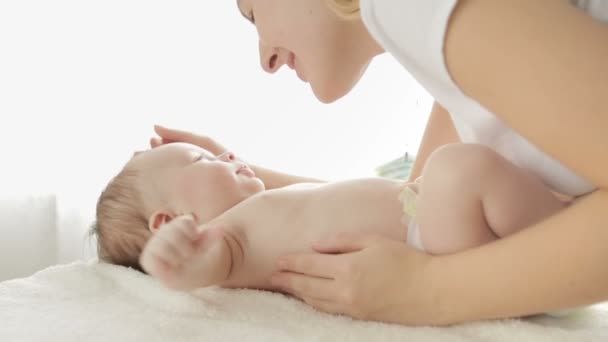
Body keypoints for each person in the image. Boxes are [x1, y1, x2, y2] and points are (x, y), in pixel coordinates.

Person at [149, 0, 607, 326]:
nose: (264, 57)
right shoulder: (434, 45)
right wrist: (246, 176)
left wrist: (425, 292)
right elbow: (403, 204)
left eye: (253, 15)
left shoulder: (405, 8)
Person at [92, 141, 567, 295]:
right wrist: (174, 262)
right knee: (460, 167)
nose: (226, 154)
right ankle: (569, 236)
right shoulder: (225, 242)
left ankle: (564, 226)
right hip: (428, 242)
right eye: (203, 159)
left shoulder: (258, 213)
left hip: (430, 220)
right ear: (169, 221)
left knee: (473, 165)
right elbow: (205, 268)